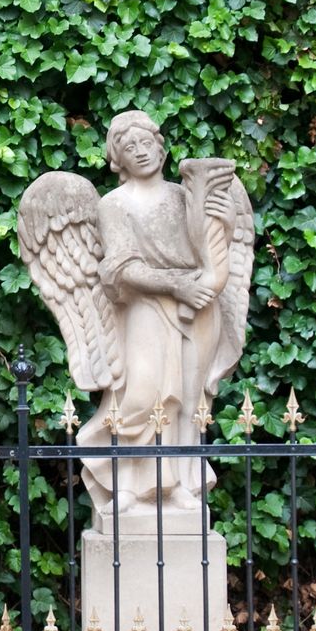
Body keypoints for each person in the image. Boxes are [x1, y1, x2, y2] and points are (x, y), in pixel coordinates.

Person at [82, 111, 245, 519]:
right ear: (117, 159)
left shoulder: (184, 196)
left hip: (199, 306)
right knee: (143, 394)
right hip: (147, 307)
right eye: (128, 147)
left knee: (189, 399)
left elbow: (208, 253)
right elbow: (120, 268)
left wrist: (222, 226)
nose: (140, 152)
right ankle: (130, 487)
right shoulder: (114, 205)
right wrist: (174, 285)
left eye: (146, 143)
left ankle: (182, 485)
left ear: (161, 147)